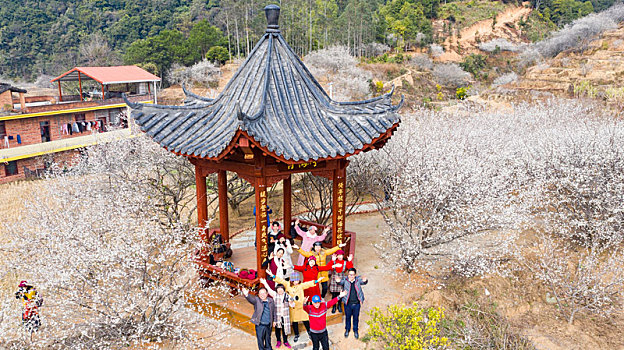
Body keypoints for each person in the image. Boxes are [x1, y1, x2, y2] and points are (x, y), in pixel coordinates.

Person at [274, 272, 320, 343]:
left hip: (301, 306)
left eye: (297, 280)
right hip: (293, 307)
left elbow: (308, 284)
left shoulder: (301, 285)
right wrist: (273, 276)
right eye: (294, 280)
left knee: (306, 320)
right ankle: (296, 334)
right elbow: (280, 280)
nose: (296, 282)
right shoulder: (287, 284)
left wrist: (316, 281)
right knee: (295, 322)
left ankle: (309, 332)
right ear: (291, 280)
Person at [335, 268, 368, 339]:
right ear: (348, 274)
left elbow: (364, 282)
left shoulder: (357, 280)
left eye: (353, 275)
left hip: (356, 304)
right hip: (348, 304)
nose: (351, 276)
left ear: (355, 275)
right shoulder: (345, 280)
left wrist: (365, 280)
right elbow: (340, 282)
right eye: (350, 275)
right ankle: (347, 329)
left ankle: (355, 330)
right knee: (348, 317)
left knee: (356, 318)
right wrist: (338, 281)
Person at [260, 279, 294, 349]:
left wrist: (291, 302)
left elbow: (293, 305)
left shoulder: (287, 296)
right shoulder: (275, 295)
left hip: (285, 316)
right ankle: (278, 341)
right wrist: (264, 282)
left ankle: (285, 341)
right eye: (278, 289)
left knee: (285, 329)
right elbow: (268, 289)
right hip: (277, 316)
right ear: (276, 290)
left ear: (283, 289)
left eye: (281, 289)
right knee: (277, 329)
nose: (280, 290)